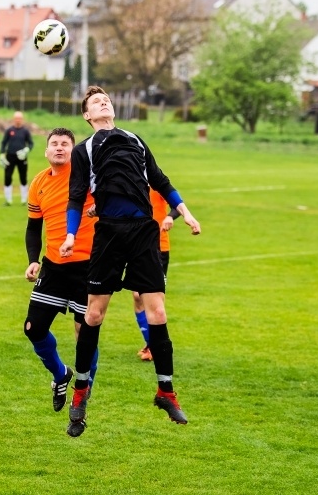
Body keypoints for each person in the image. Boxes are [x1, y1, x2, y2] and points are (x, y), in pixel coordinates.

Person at [60, 85, 201, 437]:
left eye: (105, 98)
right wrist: (71, 234)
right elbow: (77, 196)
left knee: (158, 313)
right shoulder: (85, 149)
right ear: (87, 116)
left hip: (143, 233)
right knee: (93, 315)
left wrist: (185, 212)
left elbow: (160, 180)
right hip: (108, 233)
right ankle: (80, 394)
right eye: (95, 101)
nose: (103, 102)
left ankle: (166, 392)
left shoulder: (136, 140)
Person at [24, 127, 99, 415]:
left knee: (85, 333)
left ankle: (85, 387)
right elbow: (33, 227)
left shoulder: (85, 175)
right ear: (46, 151)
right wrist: (33, 259)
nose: (59, 148)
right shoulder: (39, 183)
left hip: (87, 266)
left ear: (73, 150)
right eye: (54, 144)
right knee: (33, 328)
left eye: (65, 144)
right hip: (53, 266)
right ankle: (61, 375)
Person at [134, 189, 179, 362]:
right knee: (137, 297)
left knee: (154, 299)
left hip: (158, 247)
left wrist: (169, 217)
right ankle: (150, 343)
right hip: (134, 246)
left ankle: (154, 344)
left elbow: (177, 205)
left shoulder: (156, 181)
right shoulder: (127, 178)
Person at [0, 111, 34, 206]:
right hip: (10, 156)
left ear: (22, 120)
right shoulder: (9, 130)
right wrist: (2, 154)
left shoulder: (25, 131)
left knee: (23, 178)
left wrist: (27, 149)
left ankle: (24, 200)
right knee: (7, 177)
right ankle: (8, 200)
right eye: (16, 118)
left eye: (20, 118)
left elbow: (31, 143)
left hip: (22, 157)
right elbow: (4, 143)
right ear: (14, 119)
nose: (18, 120)